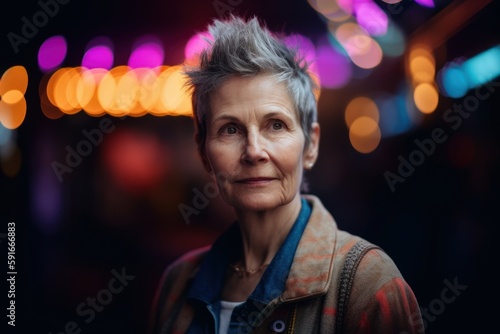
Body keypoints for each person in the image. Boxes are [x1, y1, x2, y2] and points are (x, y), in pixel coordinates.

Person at [149, 15, 424, 334]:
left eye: (276, 125)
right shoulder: (177, 283)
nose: (253, 151)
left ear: (311, 145)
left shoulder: (366, 283)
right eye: (230, 129)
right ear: (204, 154)